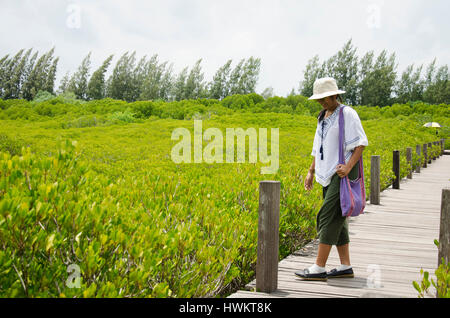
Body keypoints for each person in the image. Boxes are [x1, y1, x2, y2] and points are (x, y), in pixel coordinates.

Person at [295, 77, 368, 281]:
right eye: (319, 99)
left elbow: (361, 144)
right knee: (338, 218)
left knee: (327, 216)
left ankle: (319, 267)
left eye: (325, 98)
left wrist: (348, 167)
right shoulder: (322, 116)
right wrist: (311, 171)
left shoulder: (347, 114)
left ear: (335, 94)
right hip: (327, 173)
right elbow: (317, 148)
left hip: (342, 172)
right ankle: (346, 266)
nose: (322, 102)